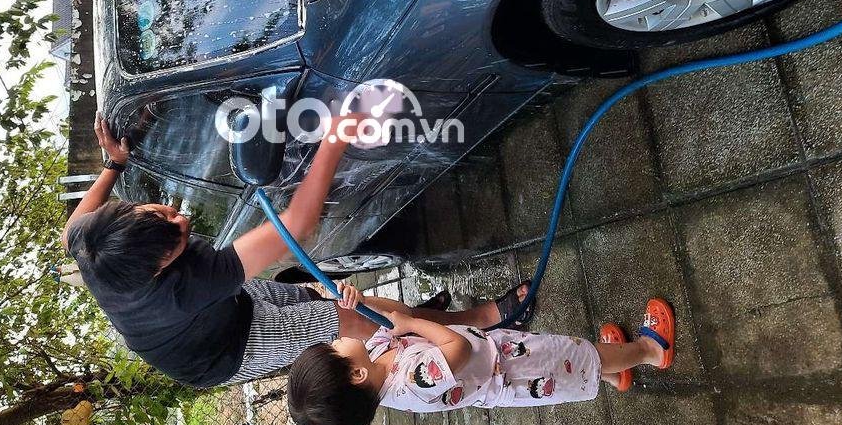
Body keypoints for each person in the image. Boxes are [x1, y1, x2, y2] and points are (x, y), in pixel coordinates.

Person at [60, 112, 532, 388]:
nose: (180, 219)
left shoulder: (88, 241)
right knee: (359, 318)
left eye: (159, 214)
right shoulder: (190, 285)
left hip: (221, 310)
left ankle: (414, 323)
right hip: (231, 349)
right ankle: (481, 322)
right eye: (174, 238)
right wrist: (336, 138)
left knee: (331, 302)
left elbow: (72, 226)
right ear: (159, 268)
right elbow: (298, 224)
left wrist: (114, 164)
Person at [286, 282, 675, 425]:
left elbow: (393, 315)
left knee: (573, 365)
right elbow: (457, 348)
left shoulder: (375, 358)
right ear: (355, 374)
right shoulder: (412, 383)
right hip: (511, 371)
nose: (337, 338)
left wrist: (360, 303)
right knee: (573, 357)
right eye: (334, 348)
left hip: (499, 356)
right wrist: (414, 324)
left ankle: (612, 373)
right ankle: (649, 350)